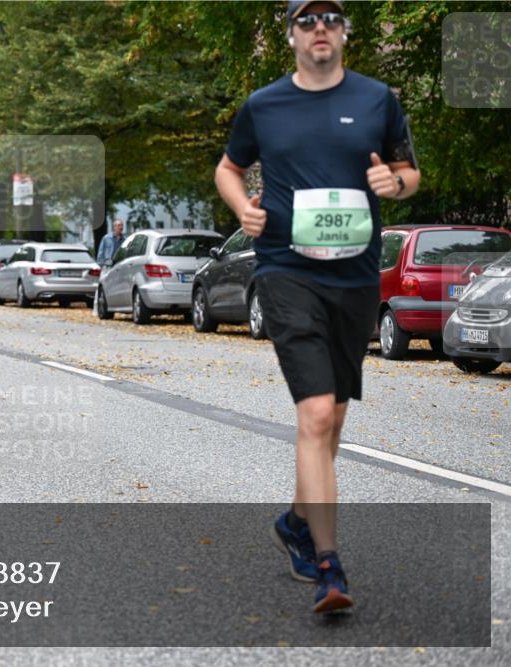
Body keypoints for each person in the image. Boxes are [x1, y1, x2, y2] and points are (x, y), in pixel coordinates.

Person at [215, 0, 421, 615]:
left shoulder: (379, 98)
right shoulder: (265, 105)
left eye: (330, 18)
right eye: (307, 20)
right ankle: (329, 566)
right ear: (292, 35)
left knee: (333, 417)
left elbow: (410, 173)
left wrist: (397, 184)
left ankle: (298, 521)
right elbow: (230, 168)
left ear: (344, 31)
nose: (320, 28)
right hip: (286, 271)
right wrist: (241, 209)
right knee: (314, 414)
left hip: (355, 280)